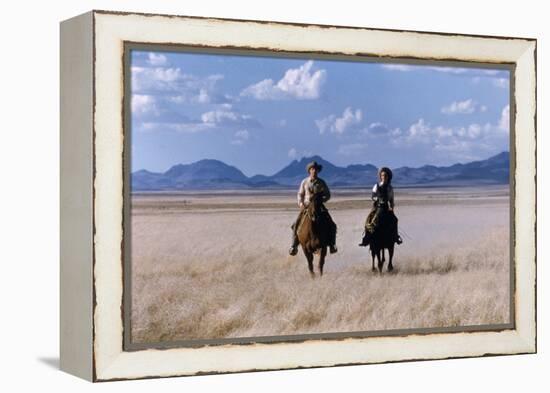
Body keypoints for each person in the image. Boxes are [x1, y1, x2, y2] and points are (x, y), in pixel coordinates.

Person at [289, 161, 338, 256]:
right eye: (312, 169)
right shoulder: (304, 182)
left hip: (319, 206)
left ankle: (332, 245)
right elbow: (300, 194)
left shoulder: (322, 182)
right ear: (309, 171)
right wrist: (301, 203)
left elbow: (328, 195)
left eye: (316, 169)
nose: (314, 171)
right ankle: (294, 246)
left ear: (318, 171)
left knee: (332, 224)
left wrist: (321, 200)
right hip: (307, 206)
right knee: (295, 224)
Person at [358, 166, 403, 246]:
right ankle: (366, 238)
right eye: (382, 175)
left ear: (388, 177)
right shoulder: (376, 186)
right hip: (378, 207)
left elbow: (391, 199)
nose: (384, 177)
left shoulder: (390, 188)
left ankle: (396, 237)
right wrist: (377, 199)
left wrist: (392, 208)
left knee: (395, 220)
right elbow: (372, 196)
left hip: (386, 207)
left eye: (385, 175)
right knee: (369, 221)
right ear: (380, 177)